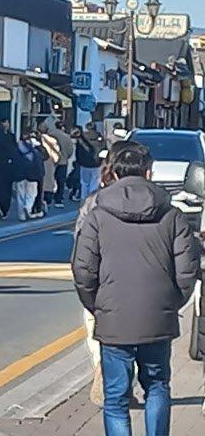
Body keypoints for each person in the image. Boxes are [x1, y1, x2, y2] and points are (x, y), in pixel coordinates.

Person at [72, 144, 199, 435]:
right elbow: (187, 271)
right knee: (157, 387)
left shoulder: (97, 215)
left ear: (114, 173)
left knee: (115, 398)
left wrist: (98, 305)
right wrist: (170, 304)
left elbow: (83, 270)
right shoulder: (172, 216)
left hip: (113, 317)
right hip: (158, 316)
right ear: (149, 172)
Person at [74, 139, 142, 407]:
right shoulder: (158, 201)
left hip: (102, 283)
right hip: (140, 283)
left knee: (98, 336)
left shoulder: (93, 202)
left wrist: (86, 288)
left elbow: (81, 249)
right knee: (136, 338)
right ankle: (122, 385)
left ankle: (105, 373)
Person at [14, 129, 45, 221]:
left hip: (19, 175)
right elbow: (44, 156)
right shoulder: (34, 148)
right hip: (32, 175)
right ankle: (28, 207)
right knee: (31, 194)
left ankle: (21, 215)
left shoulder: (16, 148)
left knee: (20, 195)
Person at [48, 120, 75, 208]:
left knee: (50, 179)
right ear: (63, 127)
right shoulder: (66, 137)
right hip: (63, 161)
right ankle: (58, 199)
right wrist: (66, 157)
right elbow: (70, 150)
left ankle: (48, 197)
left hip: (51, 161)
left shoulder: (50, 134)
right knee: (61, 181)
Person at [76, 122, 105, 198]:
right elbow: (104, 150)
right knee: (94, 182)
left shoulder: (82, 138)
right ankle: (92, 198)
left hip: (84, 163)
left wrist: (79, 161)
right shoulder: (100, 138)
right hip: (96, 163)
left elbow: (78, 151)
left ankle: (84, 198)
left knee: (84, 183)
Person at [37, 122, 61, 207]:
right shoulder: (53, 140)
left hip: (39, 161)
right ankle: (48, 198)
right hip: (50, 161)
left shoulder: (37, 140)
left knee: (41, 180)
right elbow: (57, 152)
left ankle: (40, 199)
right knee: (49, 180)